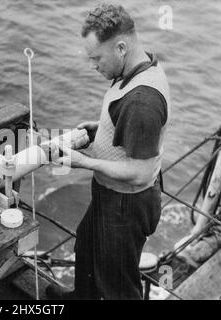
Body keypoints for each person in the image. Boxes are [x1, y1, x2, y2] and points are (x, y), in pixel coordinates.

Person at [46, 3, 171, 300]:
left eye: (96, 58)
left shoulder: (142, 101)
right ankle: (83, 296)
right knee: (87, 244)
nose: (93, 65)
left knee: (117, 283)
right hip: (111, 194)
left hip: (126, 204)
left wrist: (84, 162)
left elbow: (139, 173)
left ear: (121, 47)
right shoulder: (140, 64)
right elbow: (128, 124)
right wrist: (102, 128)